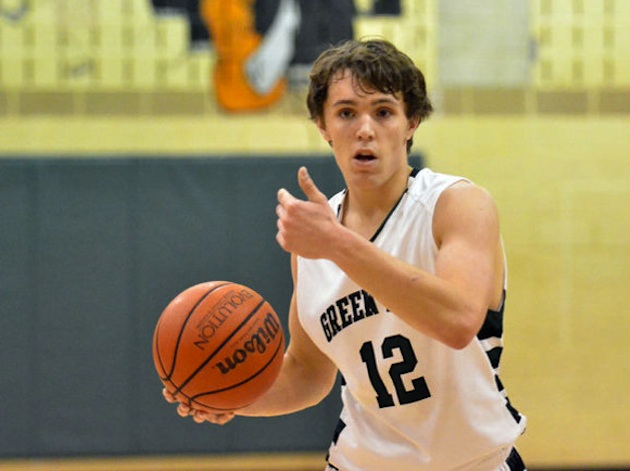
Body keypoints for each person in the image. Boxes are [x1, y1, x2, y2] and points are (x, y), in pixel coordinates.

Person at [164, 38, 527, 470]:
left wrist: (339, 245)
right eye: (346, 112)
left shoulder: (456, 205)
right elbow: (305, 373)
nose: (365, 129)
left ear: (411, 122)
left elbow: (457, 321)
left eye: (384, 112)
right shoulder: (314, 242)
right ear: (323, 126)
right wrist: (231, 394)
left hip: (474, 462)